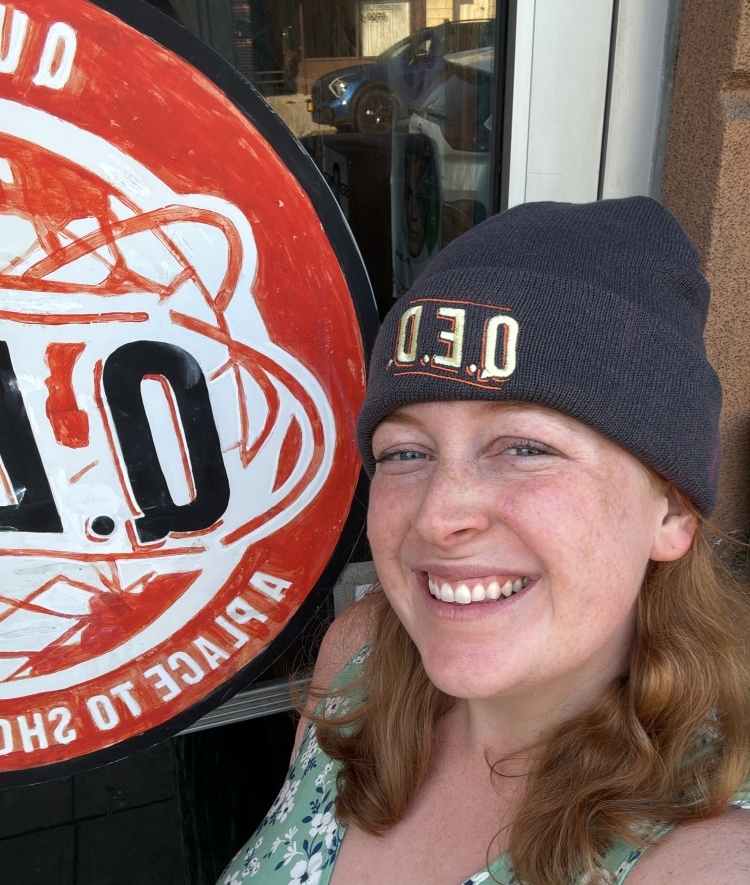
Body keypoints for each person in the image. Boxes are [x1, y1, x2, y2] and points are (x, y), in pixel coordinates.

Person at [219, 198, 750, 885]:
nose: (439, 515)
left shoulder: (706, 856)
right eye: (406, 452)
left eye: (526, 446)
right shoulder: (360, 660)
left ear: (672, 510)